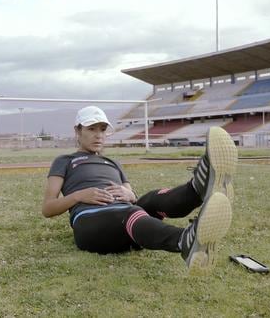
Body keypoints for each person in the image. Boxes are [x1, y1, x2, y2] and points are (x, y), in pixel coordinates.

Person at [42, 106, 237, 274]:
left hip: (127, 219)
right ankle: (183, 241)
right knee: (130, 212)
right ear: (77, 131)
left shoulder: (112, 162)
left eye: (102, 129)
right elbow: (48, 208)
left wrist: (130, 194)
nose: (98, 135)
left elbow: (131, 196)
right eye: (91, 129)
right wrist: (78, 196)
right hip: (90, 223)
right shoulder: (65, 161)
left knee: (150, 199)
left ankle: (197, 190)